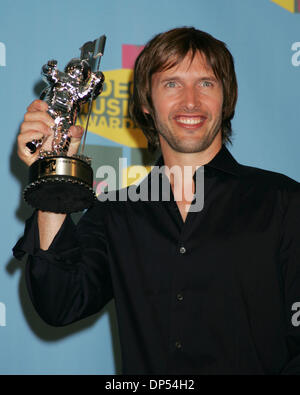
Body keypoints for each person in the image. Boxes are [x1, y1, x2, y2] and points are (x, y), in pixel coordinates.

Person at [13, 27, 300, 375]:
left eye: (206, 83)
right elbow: (60, 302)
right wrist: (52, 172)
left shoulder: (284, 202)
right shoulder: (116, 212)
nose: (191, 101)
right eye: (172, 83)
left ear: (227, 98)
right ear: (147, 103)